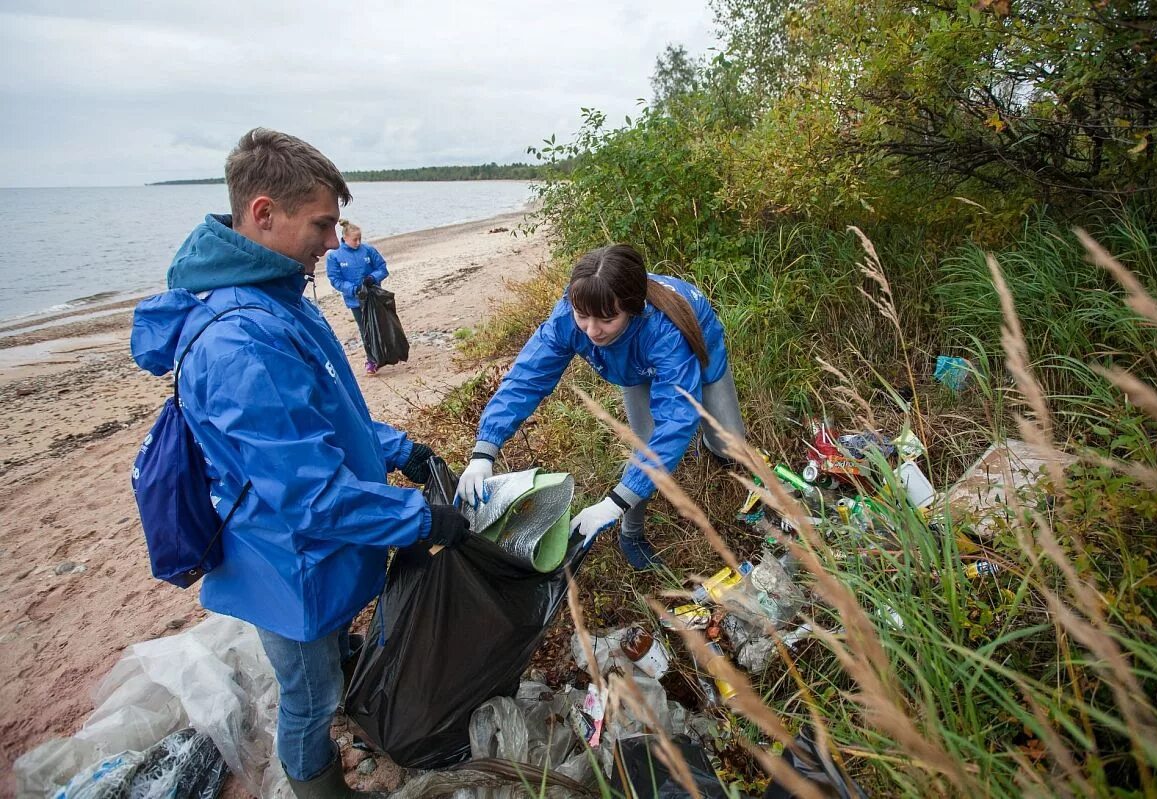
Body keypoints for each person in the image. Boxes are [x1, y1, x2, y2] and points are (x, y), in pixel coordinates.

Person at [130, 128, 470, 799]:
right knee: (308, 700)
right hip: (288, 563)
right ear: (263, 212)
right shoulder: (240, 339)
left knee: (326, 669)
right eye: (320, 224)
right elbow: (310, 495)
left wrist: (404, 449)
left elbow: (325, 415)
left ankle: (346, 714)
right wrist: (419, 516)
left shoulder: (277, 296)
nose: (327, 238)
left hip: (314, 552)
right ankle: (322, 788)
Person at [454, 243, 746, 570]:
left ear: (633, 308)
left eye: (606, 319)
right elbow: (526, 378)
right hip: (635, 367)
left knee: (730, 444)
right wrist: (484, 451)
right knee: (645, 445)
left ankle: (712, 448)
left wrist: (613, 501)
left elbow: (677, 419)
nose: (592, 331)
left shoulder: (665, 331)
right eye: (583, 317)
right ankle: (631, 533)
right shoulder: (570, 313)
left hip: (696, 343)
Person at [326, 220, 390, 376]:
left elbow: (382, 268)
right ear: (345, 238)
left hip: (373, 296)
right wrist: (353, 289)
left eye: (360, 238)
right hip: (355, 300)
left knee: (380, 326)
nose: (358, 242)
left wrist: (372, 278)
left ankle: (386, 353)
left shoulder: (368, 250)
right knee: (365, 330)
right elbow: (335, 279)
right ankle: (372, 360)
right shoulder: (335, 256)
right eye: (355, 239)